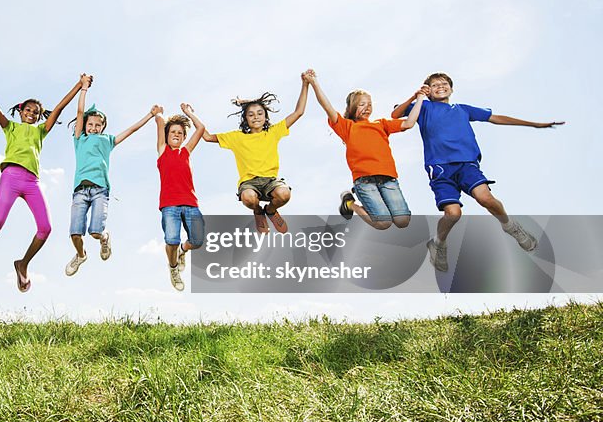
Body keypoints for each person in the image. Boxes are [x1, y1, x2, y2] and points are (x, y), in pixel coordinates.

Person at [390, 72, 564, 272]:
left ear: (451, 89)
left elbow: (496, 118)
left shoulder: (463, 109)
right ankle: (438, 243)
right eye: (435, 84)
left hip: (467, 163)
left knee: (486, 199)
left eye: (444, 83)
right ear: (428, 90)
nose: (440, 86)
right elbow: (396, 115)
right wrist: (416, 96)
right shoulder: (424, 107)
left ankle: (510, 226)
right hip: (439, 167)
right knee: (453, 213)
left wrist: (533, 124)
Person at [0, 75, 89, 292]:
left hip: (31, 182)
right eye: (28, 110)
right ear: (20, 111)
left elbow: (60, 107)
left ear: (38, 117)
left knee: (45, 229)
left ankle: (23, 264)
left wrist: (79, 85)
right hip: (10, 177)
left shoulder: (40, 131)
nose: (31, 114)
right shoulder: (11, 127)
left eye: (35, 112)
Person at [64, 78, 160, 276]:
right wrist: (83, 89)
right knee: (75, 233)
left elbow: (131, 130)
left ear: (103, 127)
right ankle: (81, 255)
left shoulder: (108, 141)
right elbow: (80, 112)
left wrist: (150, 116)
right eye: (90, 124)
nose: (93, 127)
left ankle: (105, 237)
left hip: (100, 190)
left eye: (98, 125)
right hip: (80, 191)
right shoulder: (79, 139)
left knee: (95, 232)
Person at [305, 69, 424, 229]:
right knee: (383, 223)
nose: (367, 108)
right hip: (365, 181)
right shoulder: (346, 127)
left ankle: (354, 202)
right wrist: (314, 83)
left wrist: (418, 98)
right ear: (353, 106)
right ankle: (350, 204)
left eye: (369, 104)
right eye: (362, 104)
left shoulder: (381, 124)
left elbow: (408, 123)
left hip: (388, 179)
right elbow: (327, 106)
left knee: (402, 221)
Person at [201, 73, 309, 234]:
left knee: (284, 194)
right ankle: (258, 211)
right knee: (248, 198)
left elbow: (298, 112)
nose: (256, 117)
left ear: (266, 117)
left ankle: (270, 210)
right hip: (249, 183)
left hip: (270, 181)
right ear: (245, 119)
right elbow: (207, 137)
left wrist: (305, 84)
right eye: (251, 114)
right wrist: (190, 115)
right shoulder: (237, 137)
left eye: (260, 113)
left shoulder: (273, 132)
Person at [154, 104, 207, 292]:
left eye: (180, 132)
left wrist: (189, 113)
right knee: (171, 240)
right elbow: (160, 124)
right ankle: (173, 267)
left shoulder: (186, 152)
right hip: (169, 205)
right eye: (172, 132)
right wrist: (159, 114)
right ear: (167, 136)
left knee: (198, 240)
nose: (176, 134)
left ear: (184, 137)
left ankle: (184, 251)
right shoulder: (162, 151)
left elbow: (200, 129)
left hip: (191, 203)